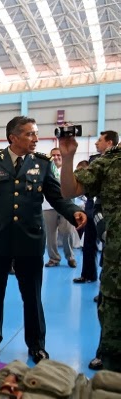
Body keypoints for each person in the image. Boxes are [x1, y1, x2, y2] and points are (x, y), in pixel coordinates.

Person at [0, 116, 86, 364]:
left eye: (36, 133)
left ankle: (36, 344)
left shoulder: (42, 164)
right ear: (13, 137)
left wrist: (73, 211)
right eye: (30, 134)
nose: (35, 138)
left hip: (30, 239)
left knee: (32, 295)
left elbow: (57, 197)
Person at [60, 131, 120, 372]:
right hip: (117, 264)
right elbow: (70, 190)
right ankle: (107, 356)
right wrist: (67, 158)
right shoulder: (111, 161)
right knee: (113, 317)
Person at [74, 131, 118, 283]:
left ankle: (104, 284)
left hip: (108, 210)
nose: (96, 143)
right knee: (88, 244)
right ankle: (88, 274)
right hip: (92, 206)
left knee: (108, 248)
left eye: (100, 140)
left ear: (109, 143)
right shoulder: (94, 160)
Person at [43, 147, 77, 268]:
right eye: (54, 155)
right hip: (48, 207)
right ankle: (54, 258)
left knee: (67, 231)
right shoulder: (45, 171)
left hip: (65, 206)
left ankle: (70, 257)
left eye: (59, 155)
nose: (56, 157)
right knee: (50, 234)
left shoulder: (69, 171)